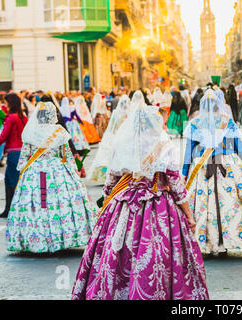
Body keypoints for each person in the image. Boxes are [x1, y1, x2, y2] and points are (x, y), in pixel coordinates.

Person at [71, 101, 209, 300]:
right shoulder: (162, 145)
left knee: (118, 254)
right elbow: (176, 184)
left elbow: (111, 181)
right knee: (157, 255)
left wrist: (109, 203)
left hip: (124, 204)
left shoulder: (123, 145)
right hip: (158, 206)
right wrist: (189, 215)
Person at [182, 89, 242, 255]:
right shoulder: (227, 121)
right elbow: (238, 147)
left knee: (204, 206)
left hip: (202, 169)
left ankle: (207, 241)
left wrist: (184, 173)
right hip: (227, 167)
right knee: (231, 204)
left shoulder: (195, 123)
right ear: (218, 105)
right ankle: (225, 241)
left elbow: (188, 152)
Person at [5, 102, 97, 252]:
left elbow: (24, 159)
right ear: (53, 115)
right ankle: (63, 238)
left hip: (35, 172)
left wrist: (24, 173)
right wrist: (74, 172)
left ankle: (36, 239)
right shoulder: (59, 132)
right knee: (61, 205)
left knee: (37, 206)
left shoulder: (31, 133)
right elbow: (66, 155)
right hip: (59, 172)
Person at [0, 93, 28, 218]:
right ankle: (16, 208)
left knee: (10, 182)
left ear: (10, 103)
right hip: (22, 152)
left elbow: (3, 137)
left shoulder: (11, 118)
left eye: (6, 103)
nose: (4, 105)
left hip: (13, 153)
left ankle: (9, 210)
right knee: (17, 181)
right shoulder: (23, 117)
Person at [87, 95, 132, 185]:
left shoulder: (115, 112)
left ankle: (105, 176)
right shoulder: (129, 113)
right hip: (122, 136)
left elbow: (112, 126)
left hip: (112, 135)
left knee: (107, 156)